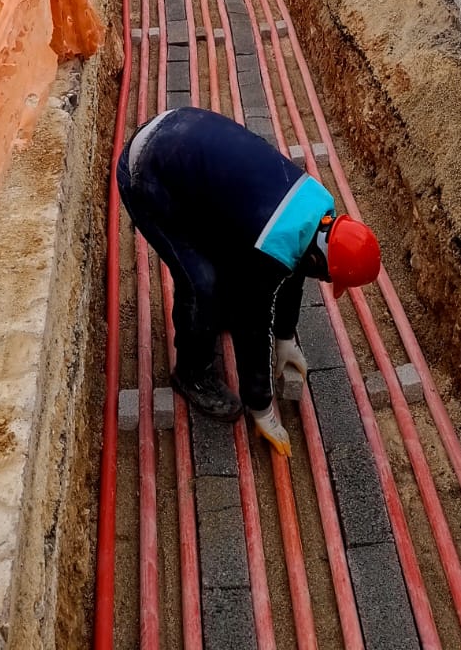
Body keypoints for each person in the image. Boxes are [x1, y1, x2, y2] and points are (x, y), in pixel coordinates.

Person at [116, 105, 381, 455]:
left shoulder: (321, 209)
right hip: (146, 173)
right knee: (203, 285)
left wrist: (285, 337)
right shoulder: (275, 243)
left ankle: (210, 320)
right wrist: (262, 406)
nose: (321, 277)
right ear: (322, 259)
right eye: (327, 275)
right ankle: (191, 373)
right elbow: (252, 324)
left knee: (236, 271)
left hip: (179, 129)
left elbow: (294, 266)